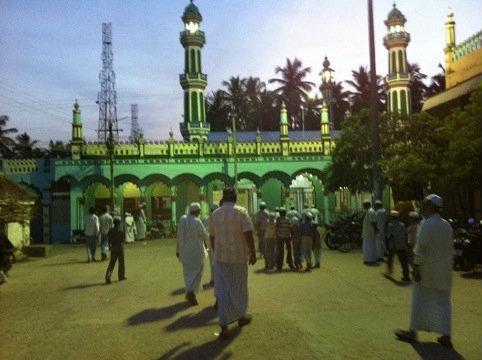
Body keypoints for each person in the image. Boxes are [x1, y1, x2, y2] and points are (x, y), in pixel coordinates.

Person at [395, 194, 454, 348]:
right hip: (444, 273)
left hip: (427, 272)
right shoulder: (446, 225)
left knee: (419, 300)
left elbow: (421, 249)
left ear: (432, 207)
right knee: (443, 303)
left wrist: (416, 267)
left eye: (426, 204)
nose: (424, 207)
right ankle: (446, 335)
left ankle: (412, 332)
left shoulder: (426, 224)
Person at [207, 188, 256, 340]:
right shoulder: (241, 212)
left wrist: (216, 252)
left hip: (221, 258)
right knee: (239, 287)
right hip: (239, 257)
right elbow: (248, 233)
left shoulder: (215, 214)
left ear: (223, 198)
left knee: (222, 291)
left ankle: (224, 327)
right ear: (235, 198)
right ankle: (241, 316)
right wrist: (253, 253)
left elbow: (212, 236)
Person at [176, 203, 209, 306]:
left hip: (184, 252)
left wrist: (178, 250)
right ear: (196, 211)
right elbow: (205, 235)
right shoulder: (197, 221)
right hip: (196, 252)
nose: (199, 213)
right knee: (199, 272)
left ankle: (190, 291)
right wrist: (210, 246)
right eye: (199, 211)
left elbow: (179, 236)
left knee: (187, 273)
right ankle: (191, 292)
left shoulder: (182, 219)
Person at [385, 210, 410, 282]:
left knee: (390, 260)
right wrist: (405, 244)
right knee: (403, 261)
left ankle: (389, 273)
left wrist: (388, 245)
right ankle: (406, 276)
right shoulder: (402, 225)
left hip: (393, 245)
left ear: (392, 217)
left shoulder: (390, 225)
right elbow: (405, 234)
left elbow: (390, 236)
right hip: (402, 245)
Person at [105, 217, 126, 284]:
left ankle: (108, 277)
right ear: (119, 223)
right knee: (121, 263)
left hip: (113, 247)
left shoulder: (110, 230)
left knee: (112, 263)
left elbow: (108, 239)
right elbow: (123, 240)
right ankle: (121, 276)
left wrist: (109, 246)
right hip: (119, 247)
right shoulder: (121, 231)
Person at [204, 204, 219, 287]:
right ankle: (216, 279)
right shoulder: (219, 218)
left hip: (211, 244)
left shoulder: (207, 219)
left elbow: (206, 232)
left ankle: (214, 279)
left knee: (213, 263)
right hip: (218, 244)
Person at [361, 200, 378, 265]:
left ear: (367, 205)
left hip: (370, 233)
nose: (363, 206)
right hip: (367, 233)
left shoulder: (371, 211)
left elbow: (373, 222)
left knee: (370, 247)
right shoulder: (368, 211)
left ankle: (370, 259)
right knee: (367, 247)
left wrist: (375, 230)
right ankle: (367, 259)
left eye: (364, 205)